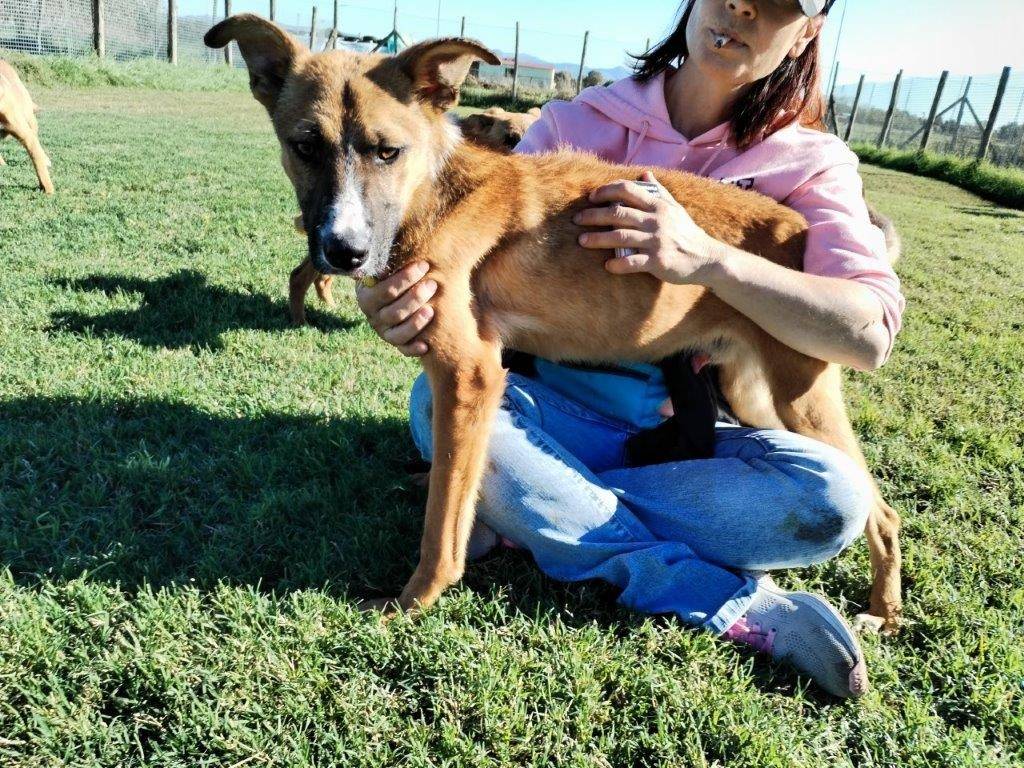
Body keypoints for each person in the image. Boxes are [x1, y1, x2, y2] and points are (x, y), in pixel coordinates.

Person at [356, 0, 904, 698]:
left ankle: (526, 511)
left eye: (777, 0)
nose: (741, 6)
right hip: (547, 411)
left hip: (685, 450)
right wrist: (388, 299)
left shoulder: (812, 165)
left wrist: (710, 261)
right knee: (439, 402)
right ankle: (724, 597)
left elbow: (867, 332)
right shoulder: (576, 122)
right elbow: (460, 281)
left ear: (811, 27)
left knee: (833, 498)